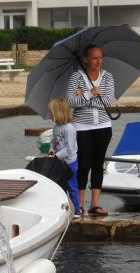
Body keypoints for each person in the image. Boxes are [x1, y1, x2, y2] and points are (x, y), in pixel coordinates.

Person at [66, 44, 115, 216]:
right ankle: (79, 204)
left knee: (97, 164)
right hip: (82, 127)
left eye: (101, 58)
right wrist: (90, 93)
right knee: (83, 164)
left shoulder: (107, 77)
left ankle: (94, 204)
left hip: (103, 126)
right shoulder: (76, 77)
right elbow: (70, 101)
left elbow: (109, 101)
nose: (98, 61)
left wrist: (84, 98)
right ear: (85, 59)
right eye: (94, 58)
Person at [48, 98, 80, 217]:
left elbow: (69, 148)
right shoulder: (56, 127)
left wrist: (56, 155)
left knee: (72, 186)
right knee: (60, 187)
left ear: (59, 112)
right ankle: (63, 209)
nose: (50, 114)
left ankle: (76, 210)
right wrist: (51, 151)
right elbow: (53, 142)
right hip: (59, 163)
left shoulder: (69, 128)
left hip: (70, 162)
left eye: (51, 112)